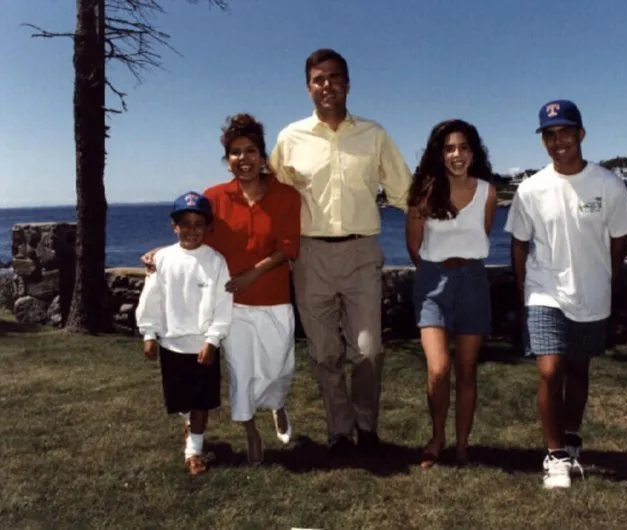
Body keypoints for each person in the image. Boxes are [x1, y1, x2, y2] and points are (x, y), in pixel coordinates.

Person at [270, 48, 412, 458]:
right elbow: (271, 198)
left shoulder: (374, 135)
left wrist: (455, 215)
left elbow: (406, 192)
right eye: (319, 79)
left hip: (361, 252)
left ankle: (367, 428)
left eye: (334, 77)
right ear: (308, 86)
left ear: (348, 84)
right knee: (324, 353)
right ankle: (339, 433)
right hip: (310, 255)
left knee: (368, 350)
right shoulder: (289, 138)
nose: (327, 85)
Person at [142, 114, 301, 466]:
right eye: (235, 153)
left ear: (263, 156)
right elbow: (192, 236)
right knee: (241, 372)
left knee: (280, 366)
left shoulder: (286, 195)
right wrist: (158, 253)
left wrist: (250, 274)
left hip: (274, 296)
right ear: (227, 158)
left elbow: (288, 248)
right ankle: (250, 432)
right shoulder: (214, 197)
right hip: (231, 303)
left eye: (250, 151)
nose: (243, 159)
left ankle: (276, 403)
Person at [504, 100, 627, 489]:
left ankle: (572, 434)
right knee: (549, 370)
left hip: (593, 294)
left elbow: (619, 239)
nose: (557, 141)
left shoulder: (608, 185)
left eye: (564, 132)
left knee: (579, 368)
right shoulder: (531, 189)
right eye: (549, 134)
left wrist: (607, 279)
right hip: (544, 292)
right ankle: (555, 455)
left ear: (580, 134)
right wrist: (524, 287)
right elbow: (518, 244)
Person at [405, 119, 497, 468]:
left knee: (467, 369)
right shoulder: (423, 193)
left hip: (472, 281)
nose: (457, 154)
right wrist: (435, 273)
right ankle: (437, 436)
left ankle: (462, 444)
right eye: (449, 148)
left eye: (463, 147)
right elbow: (414, 247)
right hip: (433, 283)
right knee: (439, 368)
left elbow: (481, 233)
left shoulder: (488, 192)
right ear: (439, 154)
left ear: (474, 151)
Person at [135, 191, 233, 477]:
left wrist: (213, 339)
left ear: (208, 227)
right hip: (172, 345)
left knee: (202, 400)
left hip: (202, 345)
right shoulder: (162, 259)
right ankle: (189, 424)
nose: (192, 230)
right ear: (173, 226)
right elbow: (150, 299)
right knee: (181, 400)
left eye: (198, 224)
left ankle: (194, 451)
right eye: (185, 223)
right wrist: (149, 334)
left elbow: (223, 305)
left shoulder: (215, 261)